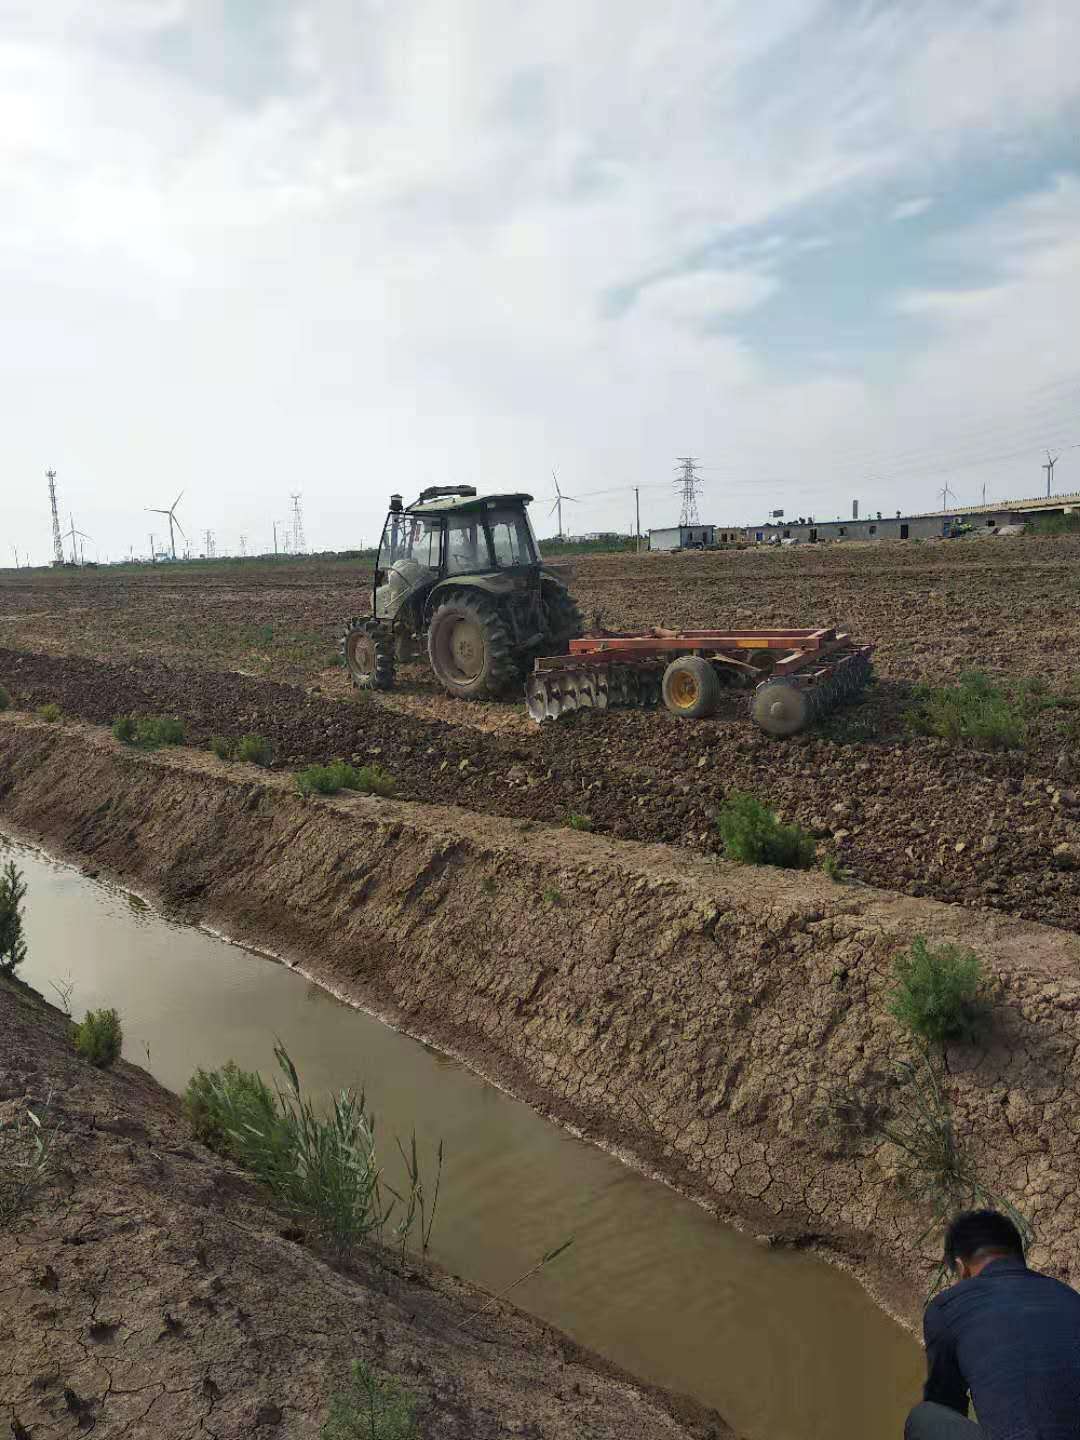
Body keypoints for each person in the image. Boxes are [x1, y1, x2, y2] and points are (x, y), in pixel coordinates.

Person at [906, 1209, 1080, 1438]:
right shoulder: (1070, 1297)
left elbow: (947, 1404)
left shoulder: (947, 1307)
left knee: (924, 1417)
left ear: (961, 1268)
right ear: (1020, 1257)